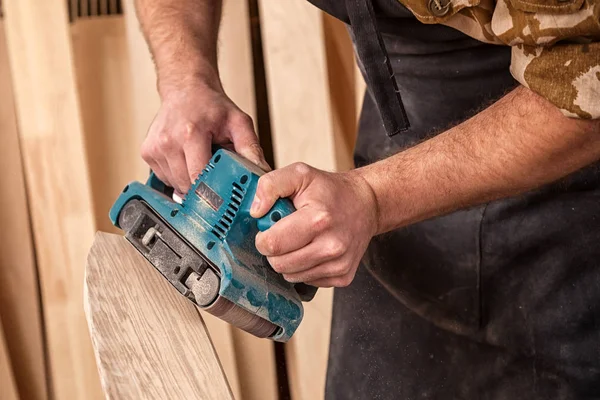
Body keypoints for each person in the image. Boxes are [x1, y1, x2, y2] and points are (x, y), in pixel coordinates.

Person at [134, 0, 600, 398]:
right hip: (407, 104)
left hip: (562, 154)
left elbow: (590, 74)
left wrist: (374, 197)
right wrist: (186, 78)